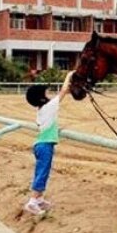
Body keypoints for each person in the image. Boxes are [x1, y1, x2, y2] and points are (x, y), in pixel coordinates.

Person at [23, 70, 74, 215]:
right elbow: (64, 91)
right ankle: (32, 202)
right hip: (45, 146)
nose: (49, 96)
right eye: (46, 94)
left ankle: (39, 200)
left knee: (41, 172)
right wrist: (69, 76)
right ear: (41, 98)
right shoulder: (48, 107)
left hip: (41, 144)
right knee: (42, 173)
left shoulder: (41, 110)